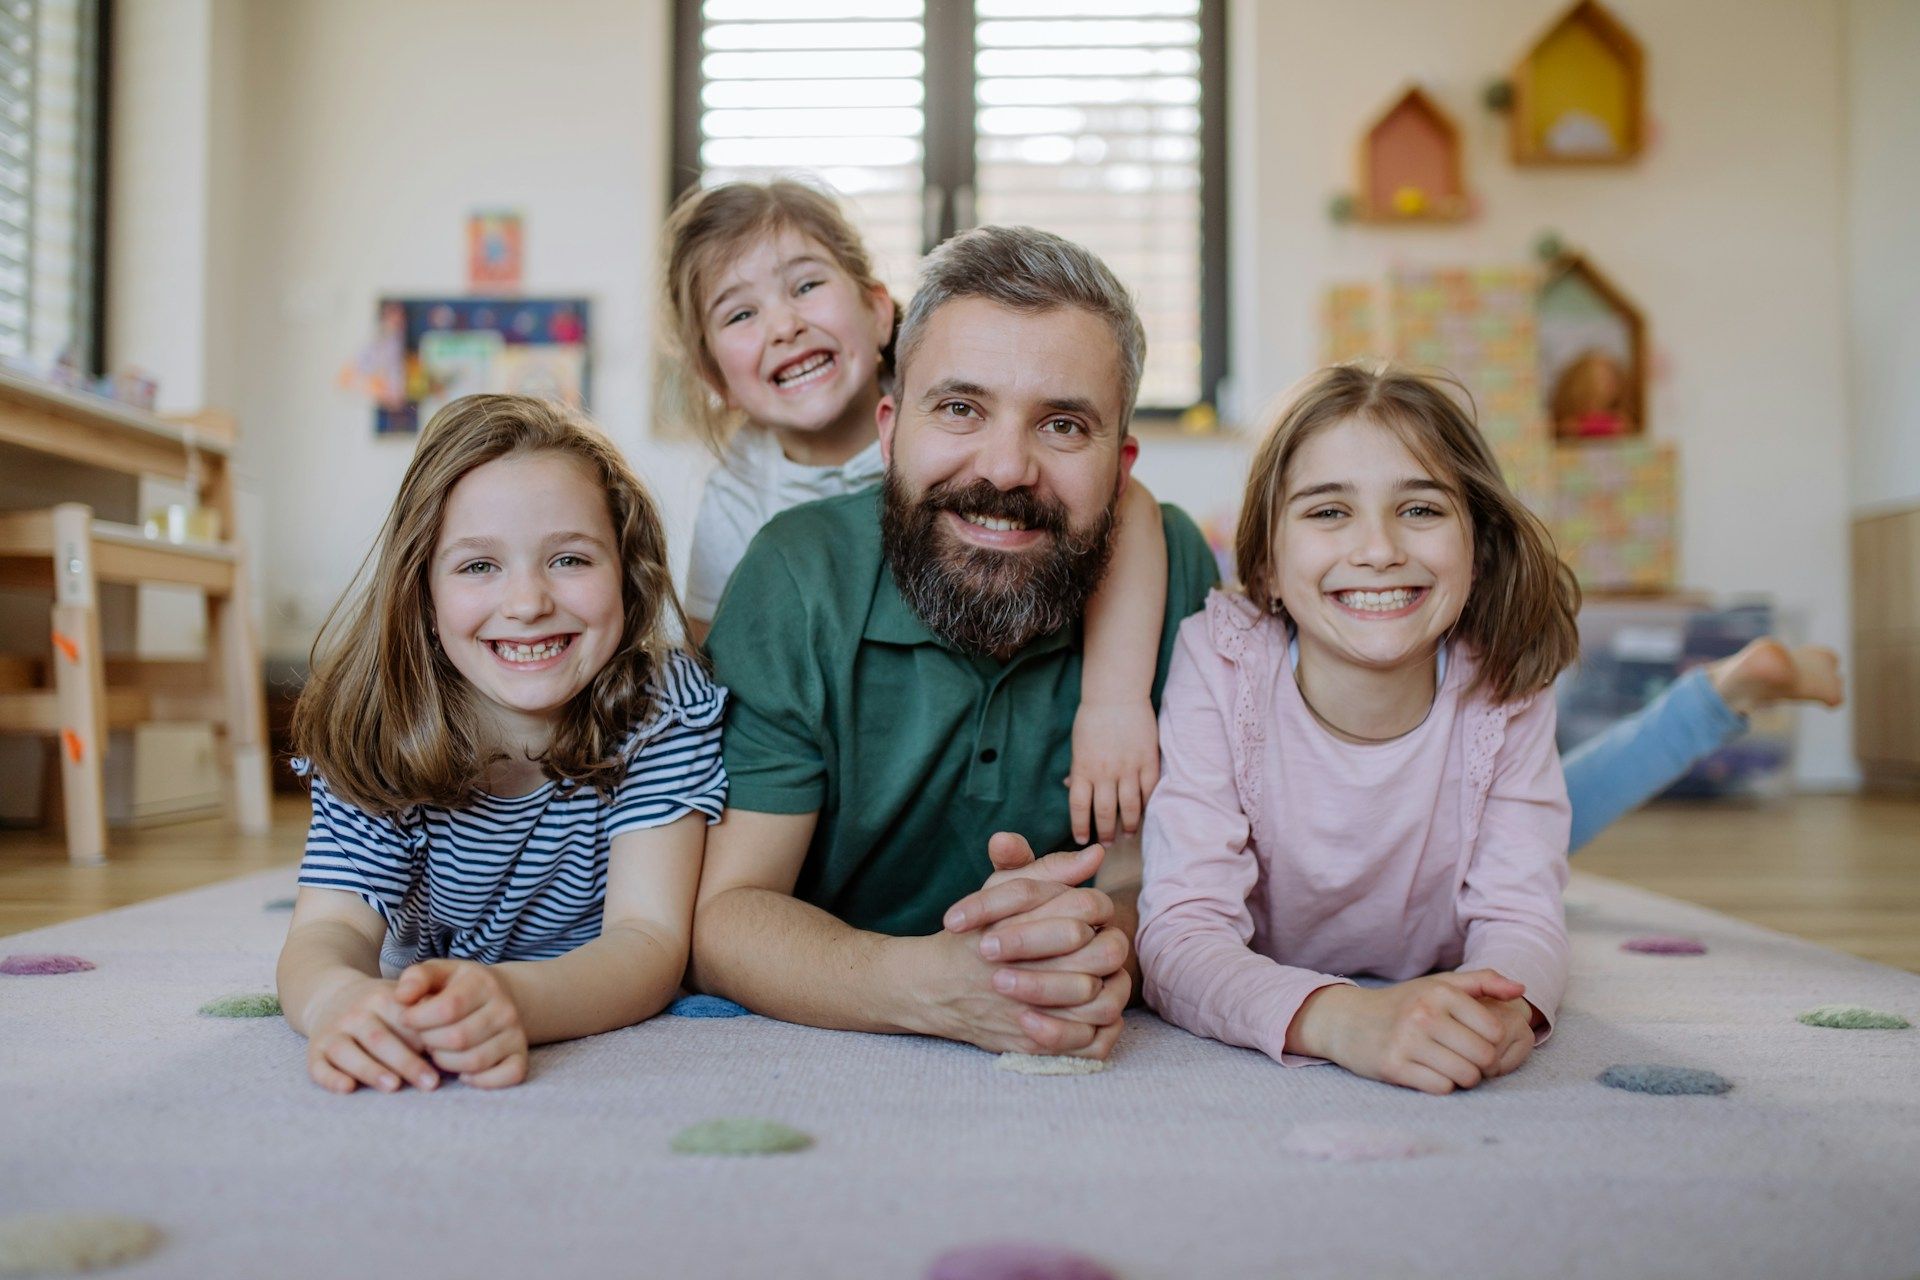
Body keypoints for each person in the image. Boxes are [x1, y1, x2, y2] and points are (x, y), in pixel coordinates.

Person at [690, 225, 1219, 1059]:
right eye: (962, 408)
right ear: (891, 430)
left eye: (1063, 426)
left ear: (1122, 471)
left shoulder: (1176, 573)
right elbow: (727, 916)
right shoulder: (796, 574)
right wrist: (930, 986)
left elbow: (1157, 877)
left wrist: (1088, 937)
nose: (1006, 468)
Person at [660, 181, 1164, 843]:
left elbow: (1135, 511)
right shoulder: (738, 494)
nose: (783, 325)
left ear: (878, 313)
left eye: (807, 286)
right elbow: (712, 660)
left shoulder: (950, 425)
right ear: (713, 377)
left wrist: (1114, 702)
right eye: (739, 315)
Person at [1137, 363, 1579, 1094]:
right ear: (1268, 563)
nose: (1378, 549)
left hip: (1438, 942)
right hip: (1287, 967)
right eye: (1328, 512)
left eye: (1421, 510)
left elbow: (1523, 915)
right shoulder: (1218, 660)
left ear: (1479, 547)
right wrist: (1344, 1021)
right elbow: (1181, 936)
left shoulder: (1505, 681)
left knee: (1573, 818)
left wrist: (1507, 1008)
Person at [276, 395, 726, 1093]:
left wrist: (507, 999)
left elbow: (649, 943)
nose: (526, 603)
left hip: (572, 975)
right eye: (479, 566)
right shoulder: (376, 726)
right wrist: (337, 999)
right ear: (421, 594)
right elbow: (325, 933)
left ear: (627, 575)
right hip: (432, 969)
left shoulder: (660, 710)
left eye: (570, 558)